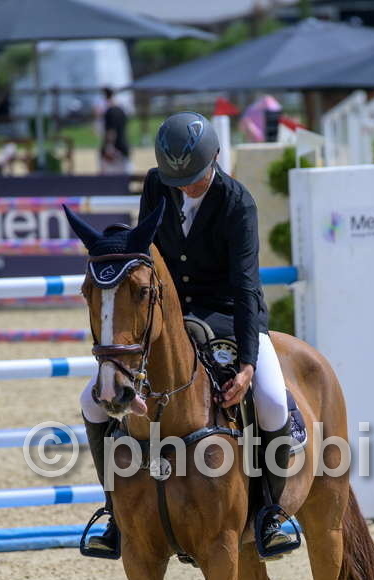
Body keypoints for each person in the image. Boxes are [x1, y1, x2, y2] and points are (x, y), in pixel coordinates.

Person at [81, 111, 295, 557]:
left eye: (194, 178)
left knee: (273, 400)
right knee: (92, 400)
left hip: (228, 313)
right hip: (166, 315)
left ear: (214, 158)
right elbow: (145, 255)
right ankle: (114, 514)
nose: (186, 187)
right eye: (178, 180)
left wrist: (247, 364)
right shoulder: (157, 184)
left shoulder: (237, 203)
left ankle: (270, 513)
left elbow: (246, 285)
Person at [98, 88, 131, 174]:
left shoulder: (109, 111)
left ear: (105, 97)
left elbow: (111, 131)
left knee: (107, 178)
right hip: (124, 147)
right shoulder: (122, 110)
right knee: (124, 178)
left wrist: (109, 147)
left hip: (114, 150)